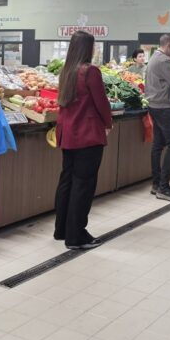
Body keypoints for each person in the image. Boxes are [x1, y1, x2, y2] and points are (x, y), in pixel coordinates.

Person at [54, 30, 113, 250]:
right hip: (87, 134)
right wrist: (108, 123)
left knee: (67, 181)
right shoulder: (90, 71)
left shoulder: (66, 70)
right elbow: (101, 102)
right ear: (88, 48)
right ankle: (76, 235)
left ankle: (61, 230)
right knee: (83, 185)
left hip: (67, 133)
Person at [145, 34, 170, 202]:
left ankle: (156, 184)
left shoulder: (154, 57)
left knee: (158, 145)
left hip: (154, 105)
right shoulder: (164, 61)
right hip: (164, 107)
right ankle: (163, 187)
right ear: (169, 45)